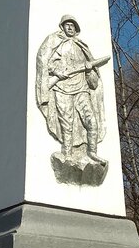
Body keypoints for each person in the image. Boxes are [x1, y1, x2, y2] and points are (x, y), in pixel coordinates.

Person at [36, 15, 109, 163]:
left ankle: (92, 152)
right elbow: (46, 62)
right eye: (67, 25)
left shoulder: (81, 46)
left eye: (72, 25)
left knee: (92, 121)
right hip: (61, 88)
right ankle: (67, 153)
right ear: (62, 27)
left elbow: (93, 80)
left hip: (82, 89)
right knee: (66, 122)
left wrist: (89, 70)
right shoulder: (56, 43)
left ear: (76, 29)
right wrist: (57, 72)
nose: (70, 27)